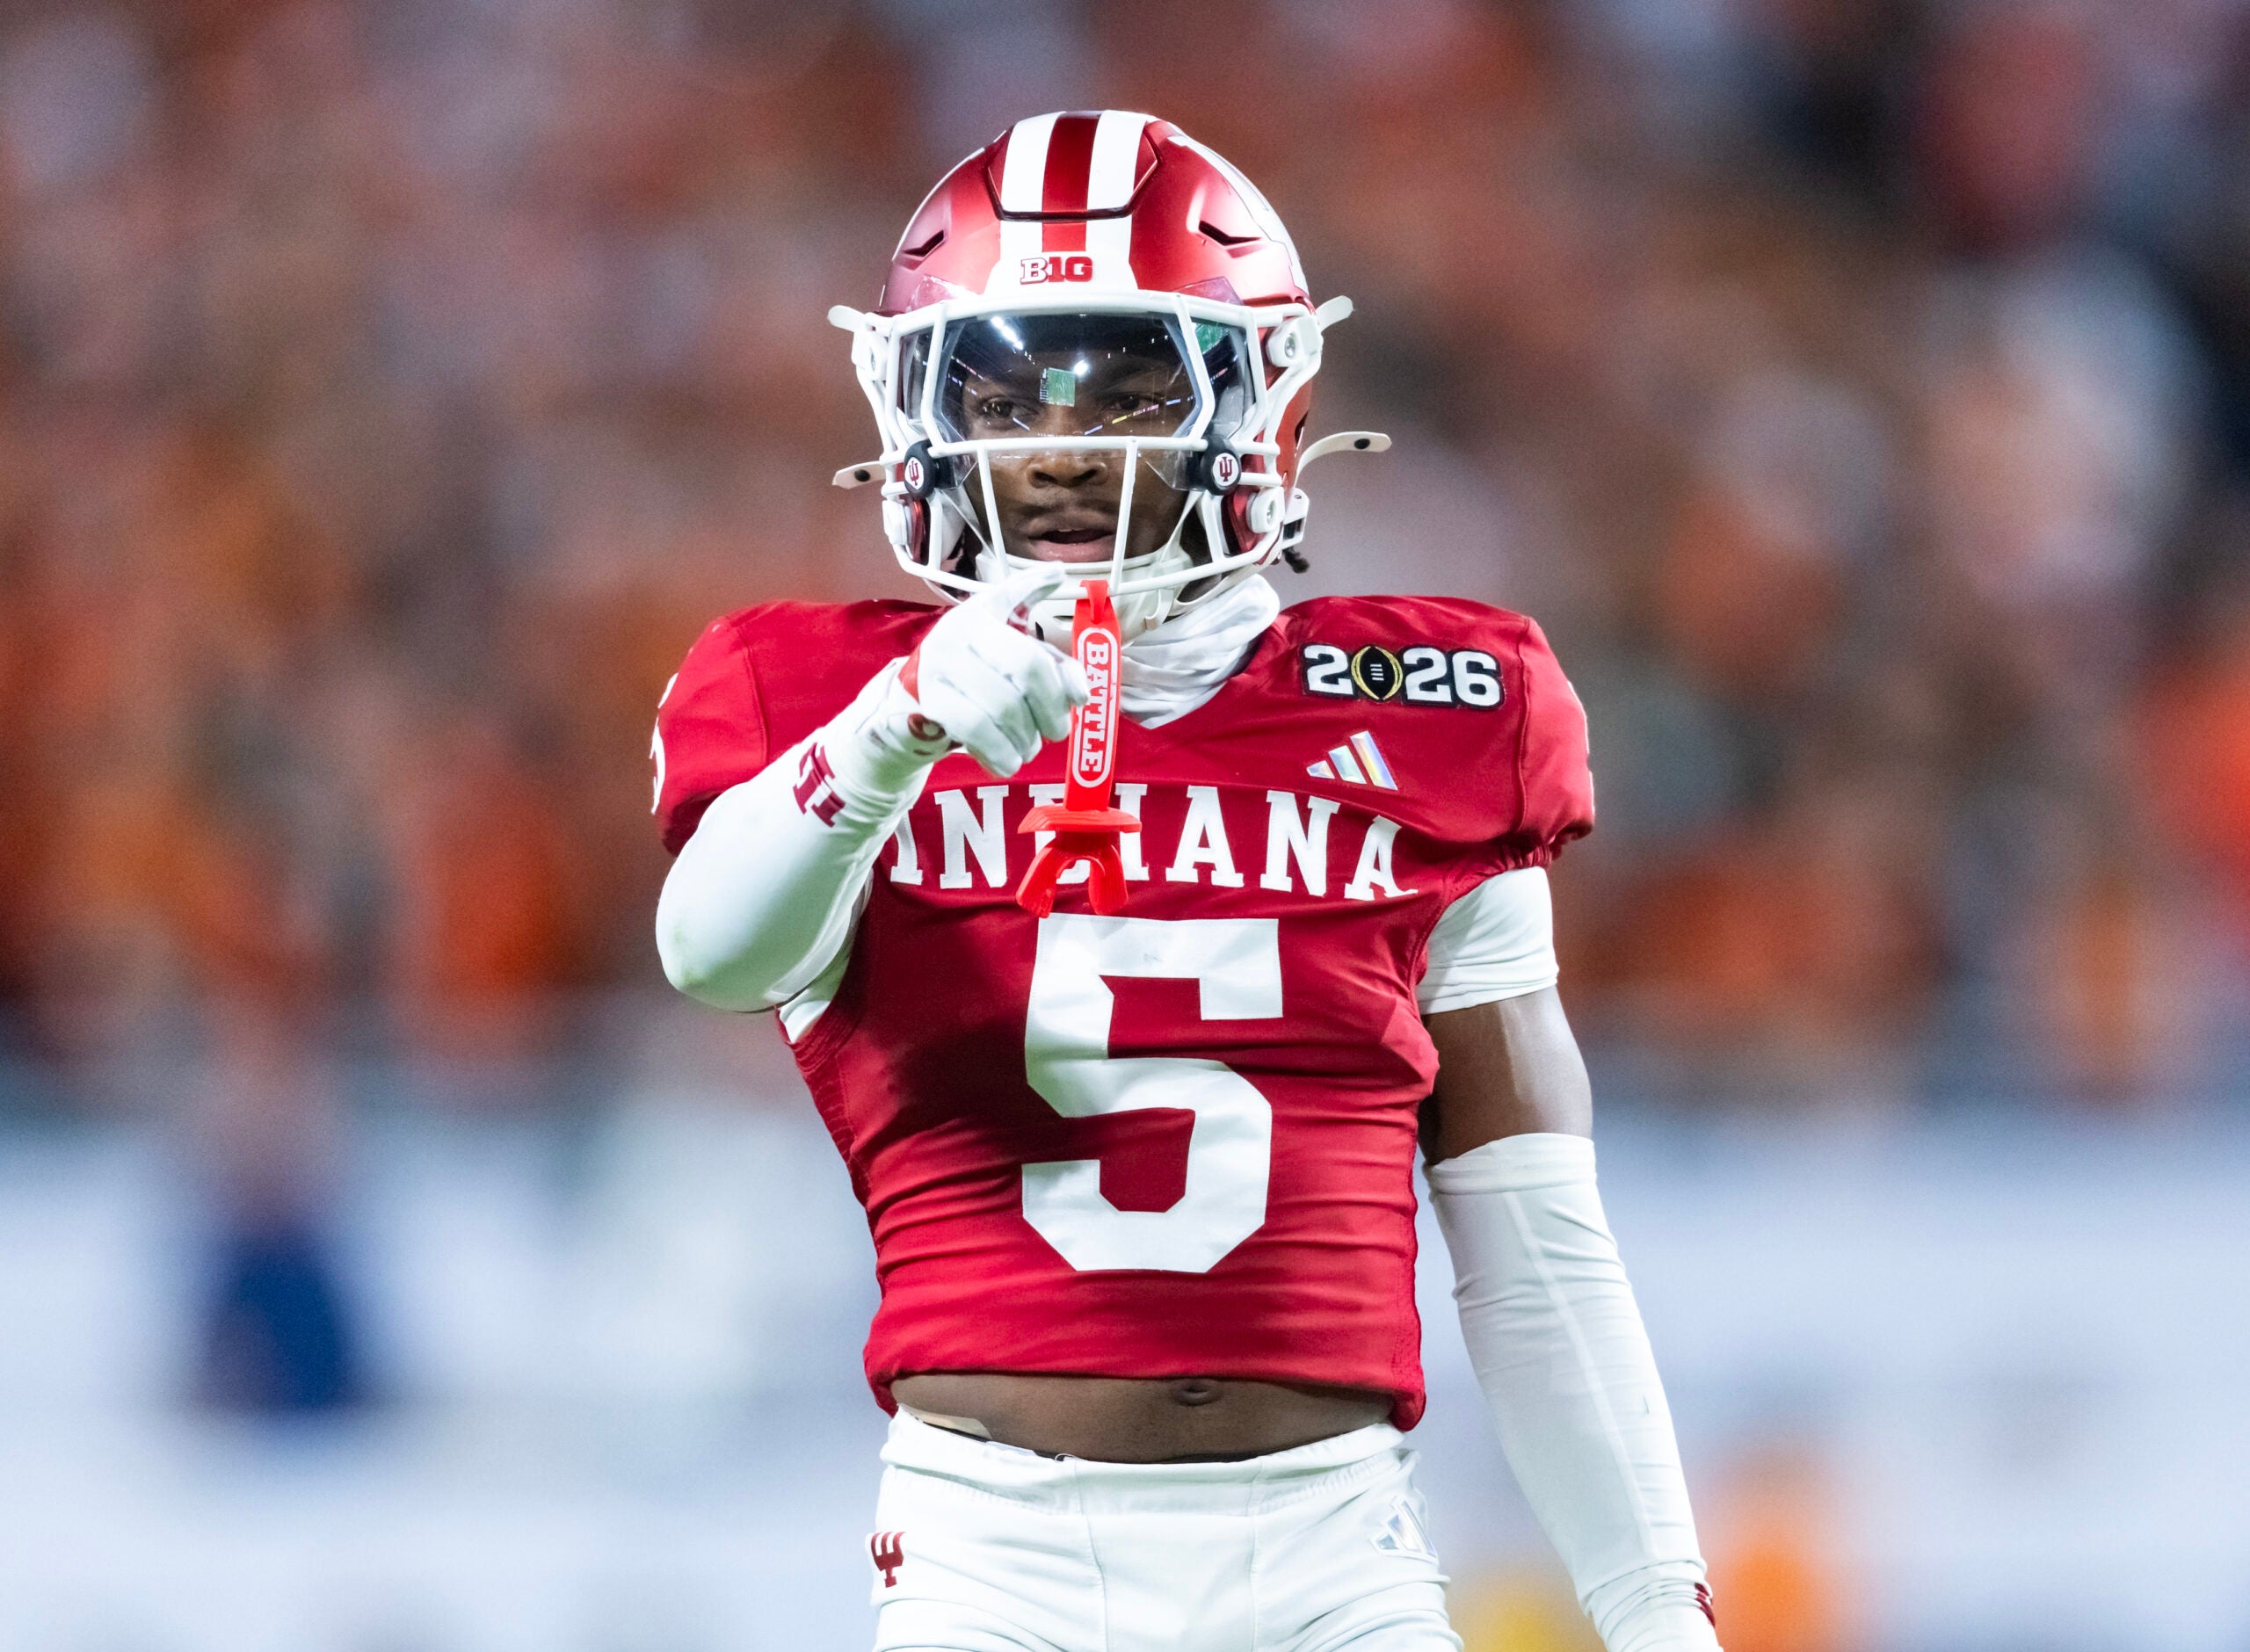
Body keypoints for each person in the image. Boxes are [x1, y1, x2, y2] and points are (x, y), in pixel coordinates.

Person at [652, 111, 1719, 1652]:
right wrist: (898, 728)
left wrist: (1658, 1620)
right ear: (920, 411)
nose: (1070, 439)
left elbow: (1533, 1242)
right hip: (985, 1557)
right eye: (1007, 387)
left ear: (1261, 402)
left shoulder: (1439, 709)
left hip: (1333, 1553)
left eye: (1134, 379)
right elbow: (711, 953)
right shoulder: (822, 696)